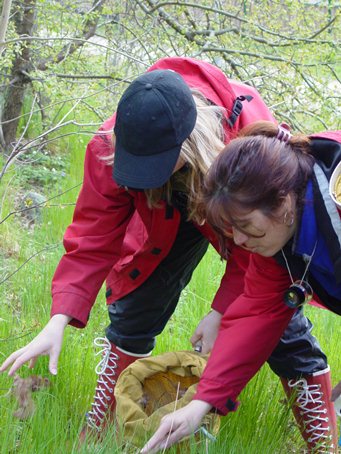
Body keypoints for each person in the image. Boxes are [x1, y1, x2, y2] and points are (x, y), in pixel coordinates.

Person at [0, 58, 333, 449]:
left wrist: (220, 311)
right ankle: (108, 422)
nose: (143, 171)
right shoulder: (114, 144)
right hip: (166, 215)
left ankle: (323, 439)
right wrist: (57, 320)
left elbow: (260, 259)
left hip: (237, 207)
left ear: (190, 141)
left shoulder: (245, 143)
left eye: (153, 165)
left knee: (278, 316)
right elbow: (93, 236)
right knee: (134, 301)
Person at [141, 121, 341, 453]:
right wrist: (200, 403)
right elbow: (255, 317)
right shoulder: (278, 244)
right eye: (231, 228)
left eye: (246, 226)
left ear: (284, 204)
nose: (240, 241)